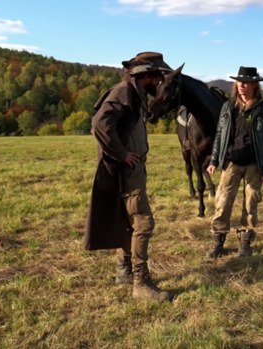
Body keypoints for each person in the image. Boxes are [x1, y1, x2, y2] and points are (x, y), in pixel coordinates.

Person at [84, 52, 172, 302]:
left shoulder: (133, 93)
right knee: (143, 222)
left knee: (128, 220)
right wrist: (122, 154)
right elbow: (100, 124)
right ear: (147, 75)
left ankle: (124, 270)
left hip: (133, 169)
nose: (158, 81)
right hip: (128, 171)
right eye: (157, 76)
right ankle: (140, 283)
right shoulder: (123, 91)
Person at [206, 66, 263, 259]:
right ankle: (218, 242)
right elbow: (220, 135)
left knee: (250, 205)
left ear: (255, 85)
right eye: (239, 82)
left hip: (255, 165)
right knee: (222, 202)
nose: (241, 86)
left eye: (245, 83)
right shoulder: (228, 107)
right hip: (230, 162)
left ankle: (245, 243)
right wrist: (214, 160)